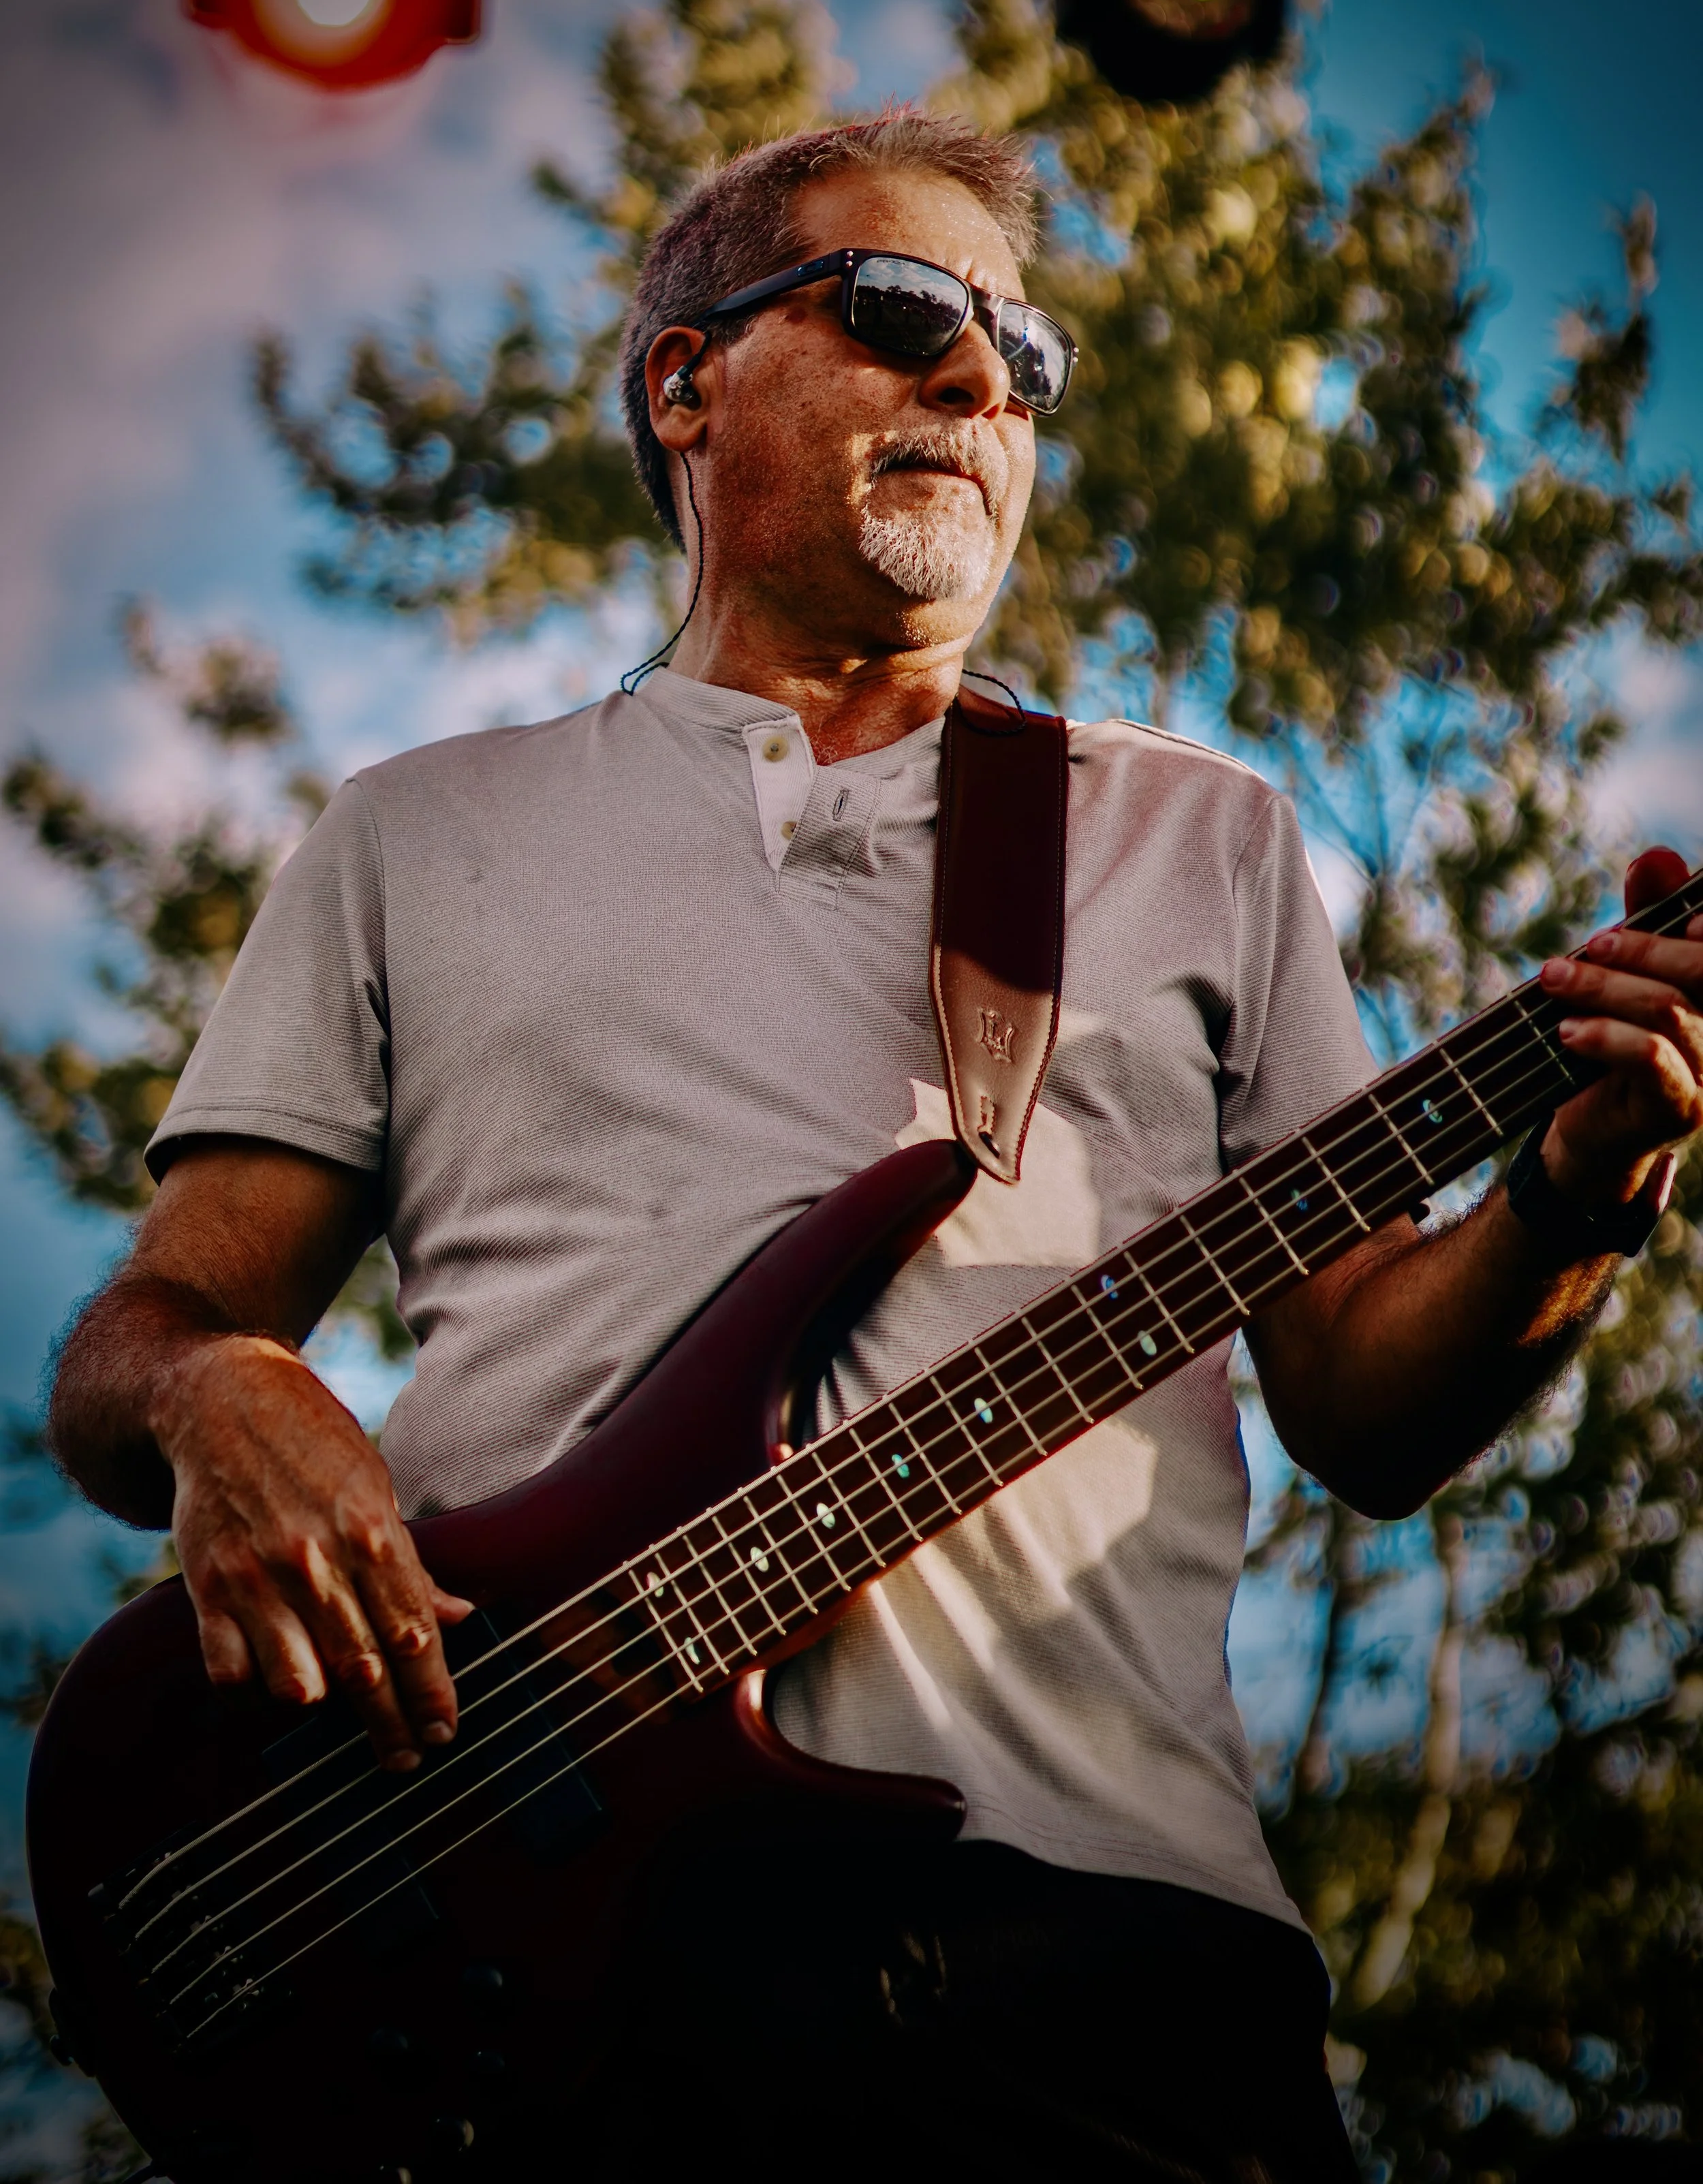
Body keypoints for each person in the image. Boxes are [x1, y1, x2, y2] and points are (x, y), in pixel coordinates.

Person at [47, 114, 1703, 2181]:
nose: (979, 381)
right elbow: (144, 1333)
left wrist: (1572, 1188)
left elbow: (1362, 1405)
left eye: (1025, 356)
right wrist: (219, 1388)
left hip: (1110, 1962)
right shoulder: (415, 830)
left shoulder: (1199, 834)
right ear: (684, 377)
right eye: (903, 311)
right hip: (530, 1953)